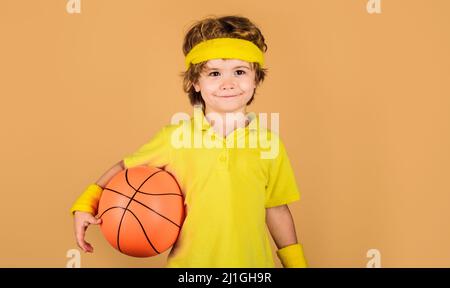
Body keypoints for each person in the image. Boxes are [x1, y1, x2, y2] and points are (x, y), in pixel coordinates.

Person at [70, 15, 307, 268]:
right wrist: (86, 204)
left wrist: (297, 264)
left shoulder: (269, 144)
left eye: (239, 71)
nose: (228, 83)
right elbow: (123, 168)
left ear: (256, 78)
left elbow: (276, 210)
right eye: (214, 73)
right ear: (195, 82)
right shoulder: (175, 139)